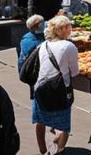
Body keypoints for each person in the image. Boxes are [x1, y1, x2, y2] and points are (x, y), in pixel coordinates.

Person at [33, 15, 79, 155]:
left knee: (40, 120)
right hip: (59, 90)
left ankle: (42, 149)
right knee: (64, 123)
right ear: (60, 30)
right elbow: (75, 72)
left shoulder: (43, 45)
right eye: (68, 26)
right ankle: (59, 150)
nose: (70, 29)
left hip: (40, 87)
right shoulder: (69, 46)